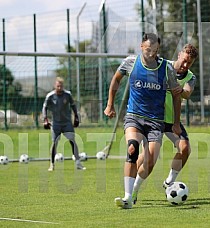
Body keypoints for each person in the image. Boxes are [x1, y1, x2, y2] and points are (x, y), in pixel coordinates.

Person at [104, 33, 182, 209]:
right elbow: (116, 80)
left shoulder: (166, 68)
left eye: (155, 50)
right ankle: (127, 197)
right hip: (134, 117)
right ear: (141, 46)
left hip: (155, 122)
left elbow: (177, 96)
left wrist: (176, 123)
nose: (152, 54)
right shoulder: (130, 62)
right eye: (148, 50)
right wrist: (110, 105)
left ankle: (135, 191)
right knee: (132, 148)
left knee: (150, 160)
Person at [134, 43, 198, 202]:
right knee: (146, 156)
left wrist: (178, 89)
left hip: (171, 121)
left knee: (185, 148)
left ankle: (169, 181)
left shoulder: (191, 77)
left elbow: (187, 94)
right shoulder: (162, 67)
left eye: (189, 63)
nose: (185, 65)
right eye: (184, 60)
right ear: (179, 55)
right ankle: (132, 187)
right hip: (154, 118)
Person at [42, 77, 86, 171]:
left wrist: (76, 117)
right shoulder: (50, 96)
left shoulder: (67, 95)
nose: (59, 88)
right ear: (55, 86)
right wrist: (45, 119)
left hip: (67, 123)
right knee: (54, 143)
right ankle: (52, 164)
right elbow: (44, 107)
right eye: (58, 86)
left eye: (61, 86)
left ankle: (78, 163)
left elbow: (73, 106)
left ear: (63, 86)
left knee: (72, 141)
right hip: (56, 124)